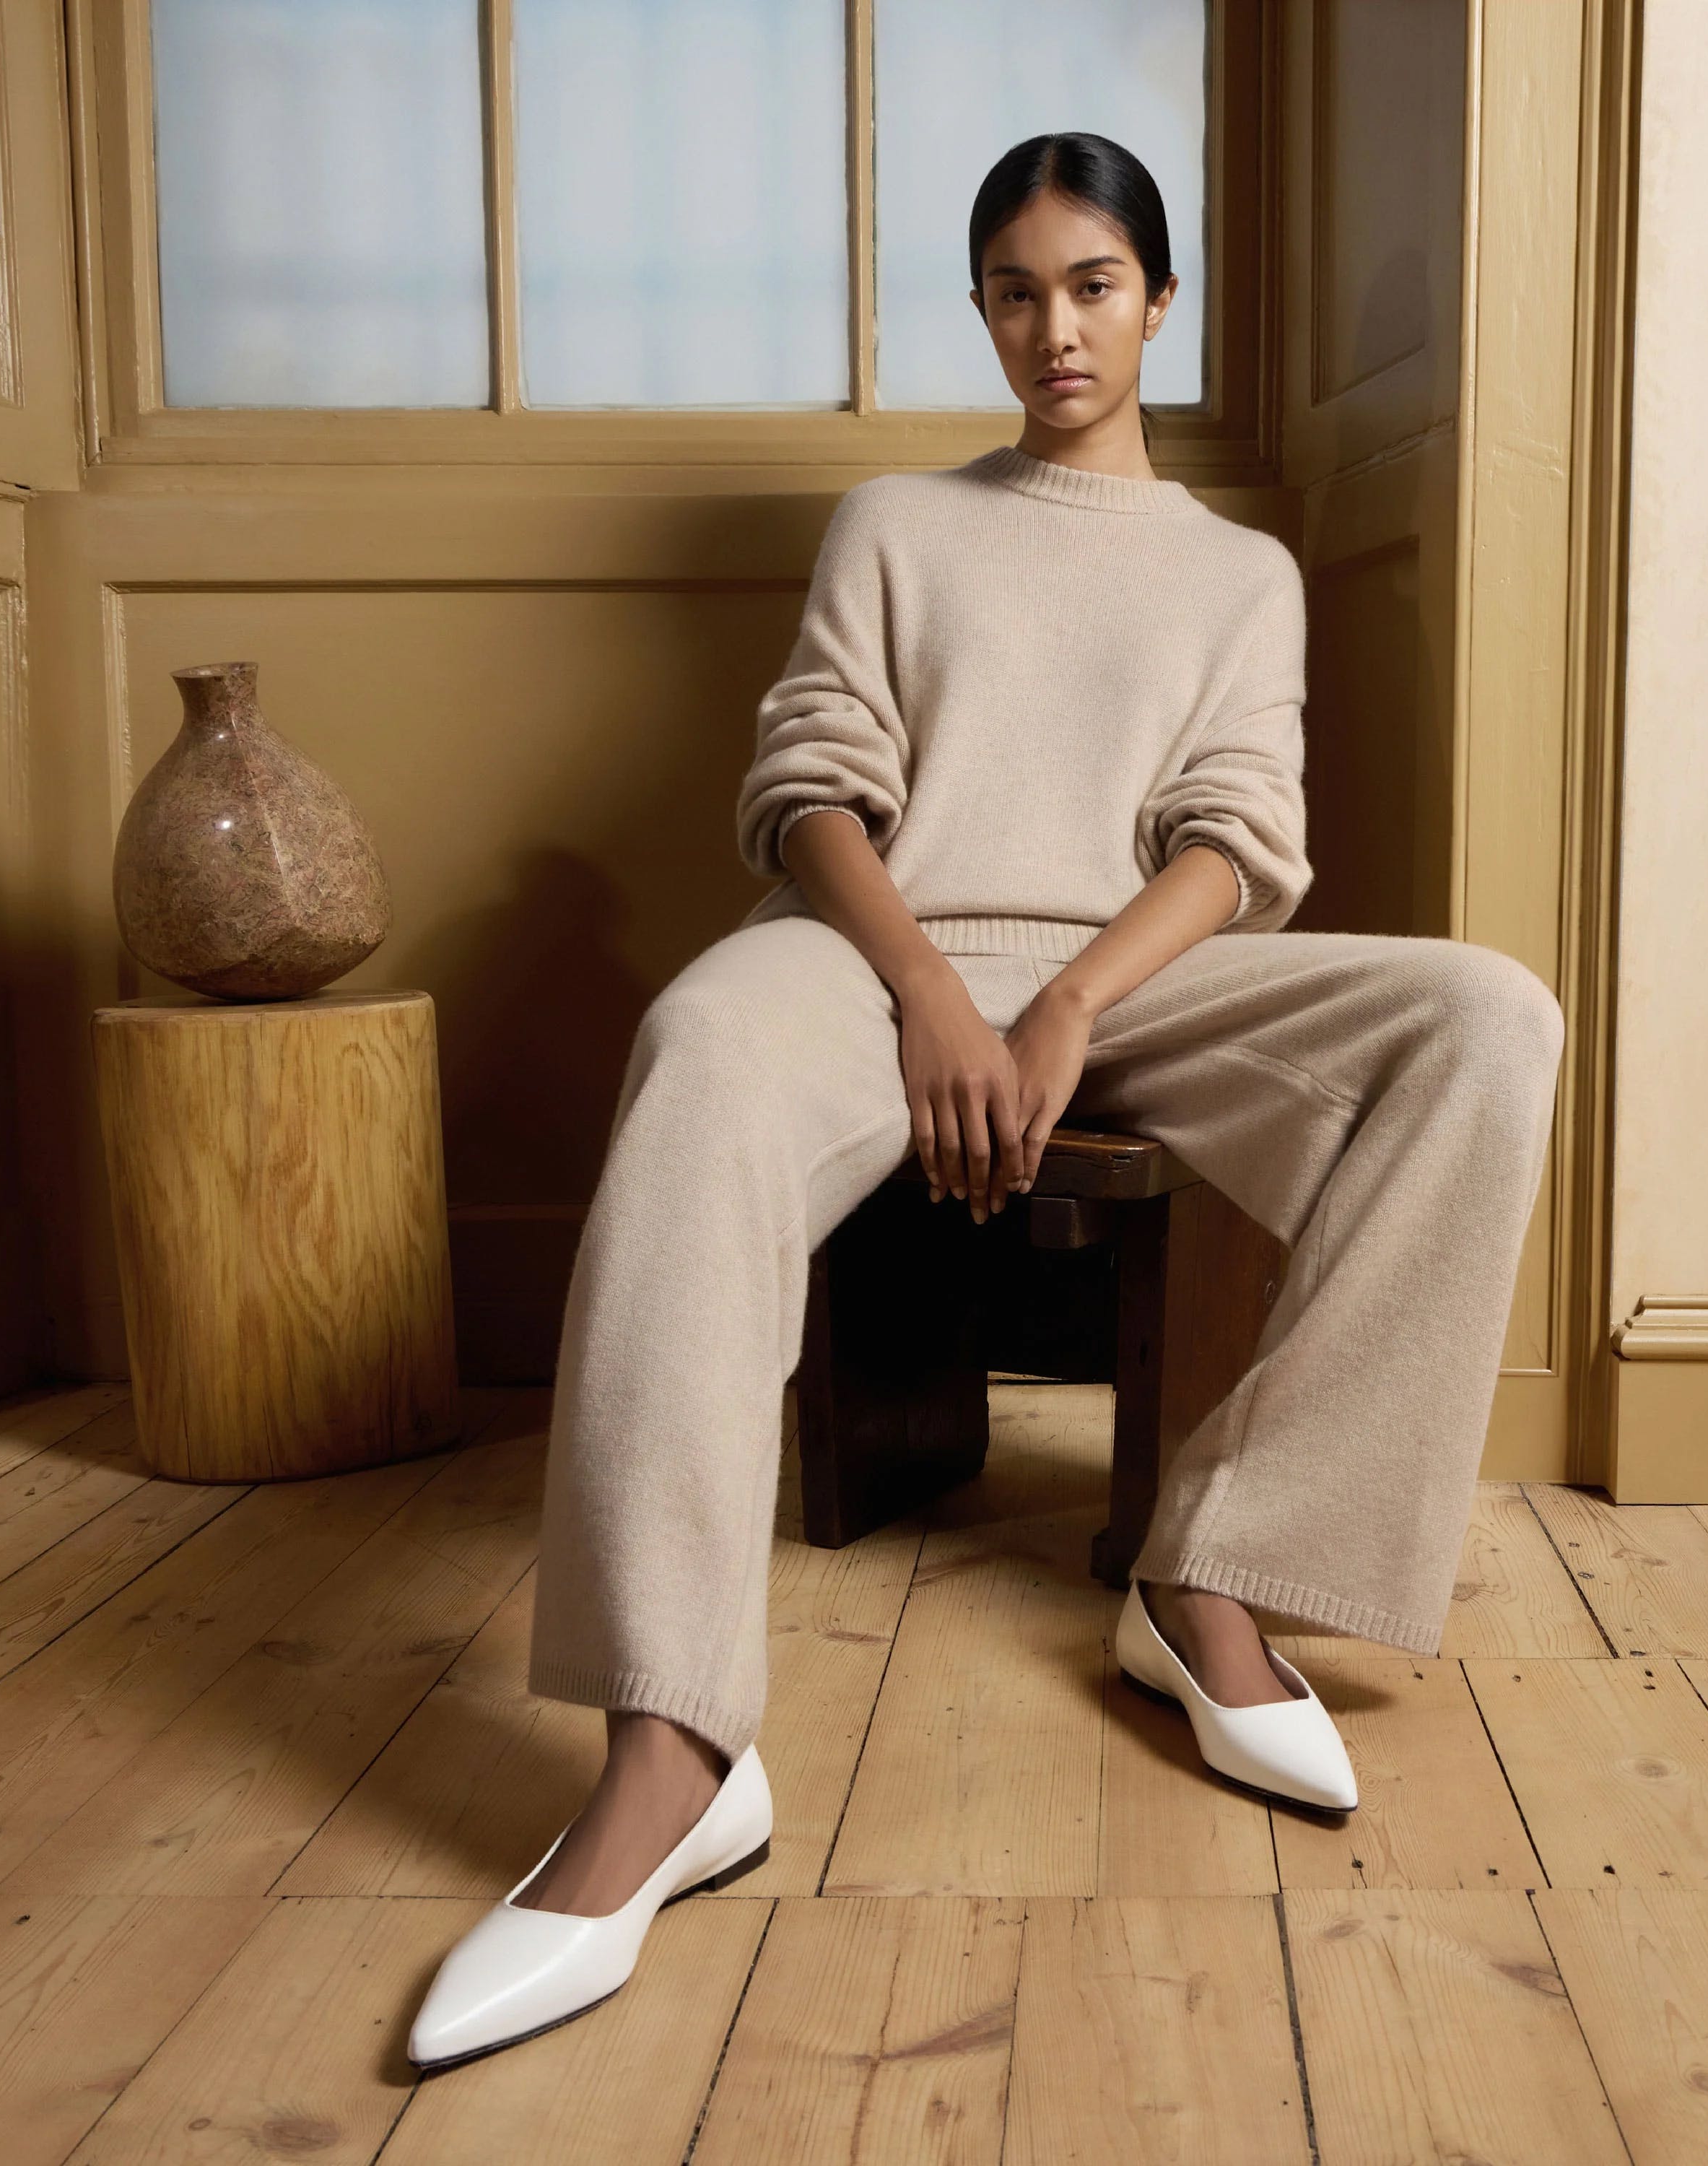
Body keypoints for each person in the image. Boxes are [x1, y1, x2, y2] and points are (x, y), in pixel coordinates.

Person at [406, 131, 1565, 2070]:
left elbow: (1235, 844)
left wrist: (1070, 1009)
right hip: (877, 968)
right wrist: (935, 991)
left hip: (1142, 976)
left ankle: (1224, 1573)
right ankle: (673, 1750)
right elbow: (811, 790)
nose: (1057, 329)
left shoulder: (1240, 573)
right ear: (982, 309)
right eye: (1017, 290)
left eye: (1096, 285)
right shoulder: (894, 526)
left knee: (1489, 1019)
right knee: (693, 1047)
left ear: (1158, 301)